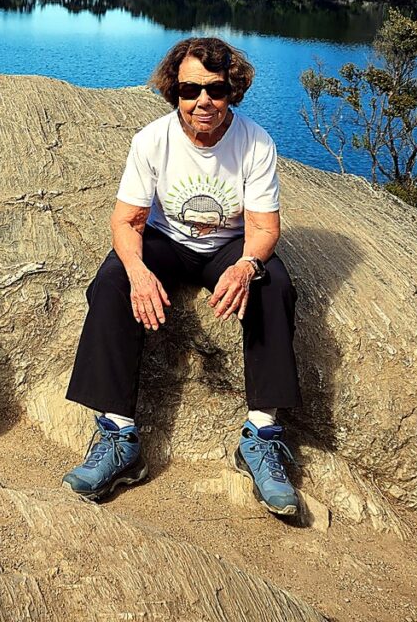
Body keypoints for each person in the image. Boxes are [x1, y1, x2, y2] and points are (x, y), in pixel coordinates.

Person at [62, 36, 302, 515]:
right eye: (190, 91)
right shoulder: (152, 140)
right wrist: (137, 271)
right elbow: (127, 221)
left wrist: (247, 265)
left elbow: (263, 227)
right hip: (165, 240)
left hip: (228, 246)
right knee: (110, 286)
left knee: (274, 287)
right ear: (174, 91)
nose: (203, 103)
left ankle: (261, 436)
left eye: (215, 90)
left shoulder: (255, 142)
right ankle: (118, 437)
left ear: (232, 90)